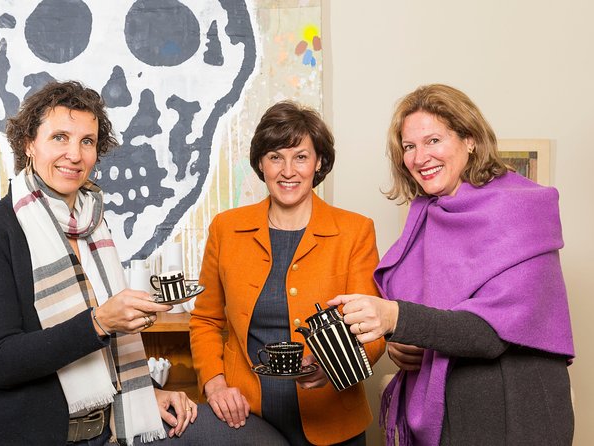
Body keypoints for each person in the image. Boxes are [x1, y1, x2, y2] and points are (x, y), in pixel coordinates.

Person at [328, 84, 575, 445]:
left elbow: (490, 333)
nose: (420, 157)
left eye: (433, 140)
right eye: (409, 147)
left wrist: (396, 319)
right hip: (449, 410)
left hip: (517, 413)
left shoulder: (520, 209)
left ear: (470, 139)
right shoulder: (427, 216)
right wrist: (399, 342)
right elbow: (428, 317)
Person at [0, 81, 198, 445]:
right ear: (28, 143)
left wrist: (148, 390)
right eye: (60, 137)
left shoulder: (93, 224)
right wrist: (98, 322)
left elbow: (110, 349)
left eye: (87, 141)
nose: (74, 154)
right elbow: (0, 361)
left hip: (104, 434)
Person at [189, 101, 386, 445]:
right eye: (275, 157)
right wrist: (214, 383)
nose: (288, 171)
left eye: (301, 157)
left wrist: (334, 366)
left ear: (319, 162)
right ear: (260, 164)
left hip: (334, 421)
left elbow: (372, 331)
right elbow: (206, 320)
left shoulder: (355, 231)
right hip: (246, 421)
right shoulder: (226, 228)